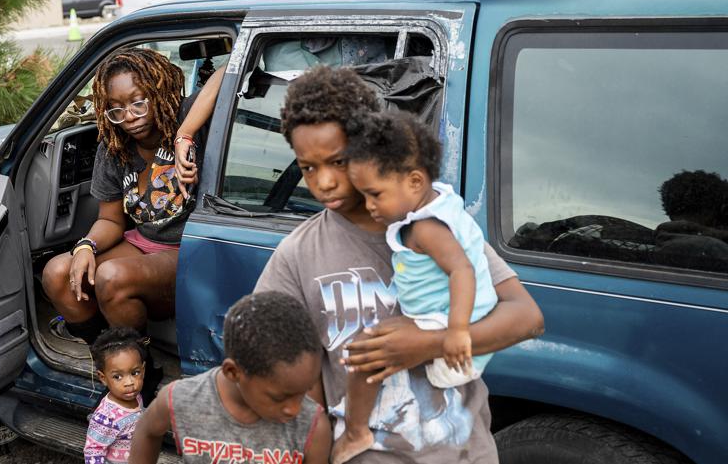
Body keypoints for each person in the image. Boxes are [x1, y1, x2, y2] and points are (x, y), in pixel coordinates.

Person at [254, 66, 544, 463]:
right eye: (308, 167)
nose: (323, 183)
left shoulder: (439, 228)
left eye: (337, 163)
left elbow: (526, 316)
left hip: (463, 452)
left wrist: (430, 343)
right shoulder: (297, 255)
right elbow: (301, 388)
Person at [331, 110, 500, 464]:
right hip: (452, 319)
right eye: (364, 195)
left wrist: (454, 331)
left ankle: (356, 432)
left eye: (376, 194)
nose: (370, 206)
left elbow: (462, 272)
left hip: (446, 320)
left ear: (414, 182)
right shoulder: (441, 202)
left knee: (365, 352)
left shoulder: (427, 228)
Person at [42, 47, 225, 342]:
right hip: (142, 243)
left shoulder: (187, 117)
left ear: (158, 91)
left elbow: (225, 73)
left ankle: (140, 366)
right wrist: (86, 246)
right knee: (58, 273)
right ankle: (107, 356)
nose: (129, 117)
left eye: (139, 103)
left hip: (186, 250)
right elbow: (111, 221)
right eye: (117, 109)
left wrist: (185, 134)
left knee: (111, 276)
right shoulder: (114, 148)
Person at [128, 291, 331, 464]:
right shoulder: (181, 399)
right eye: (279, 397)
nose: (295, 409)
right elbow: (147, 432)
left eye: (303, 392)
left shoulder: (312, 427)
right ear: (233, 372)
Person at [84, 327, 147, 464]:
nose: (129, 383)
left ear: (143, 370)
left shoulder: (135, 396)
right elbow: (93, 452)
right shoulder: (106, 417)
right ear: (103, 377)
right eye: (118, 376)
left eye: (135, 373)